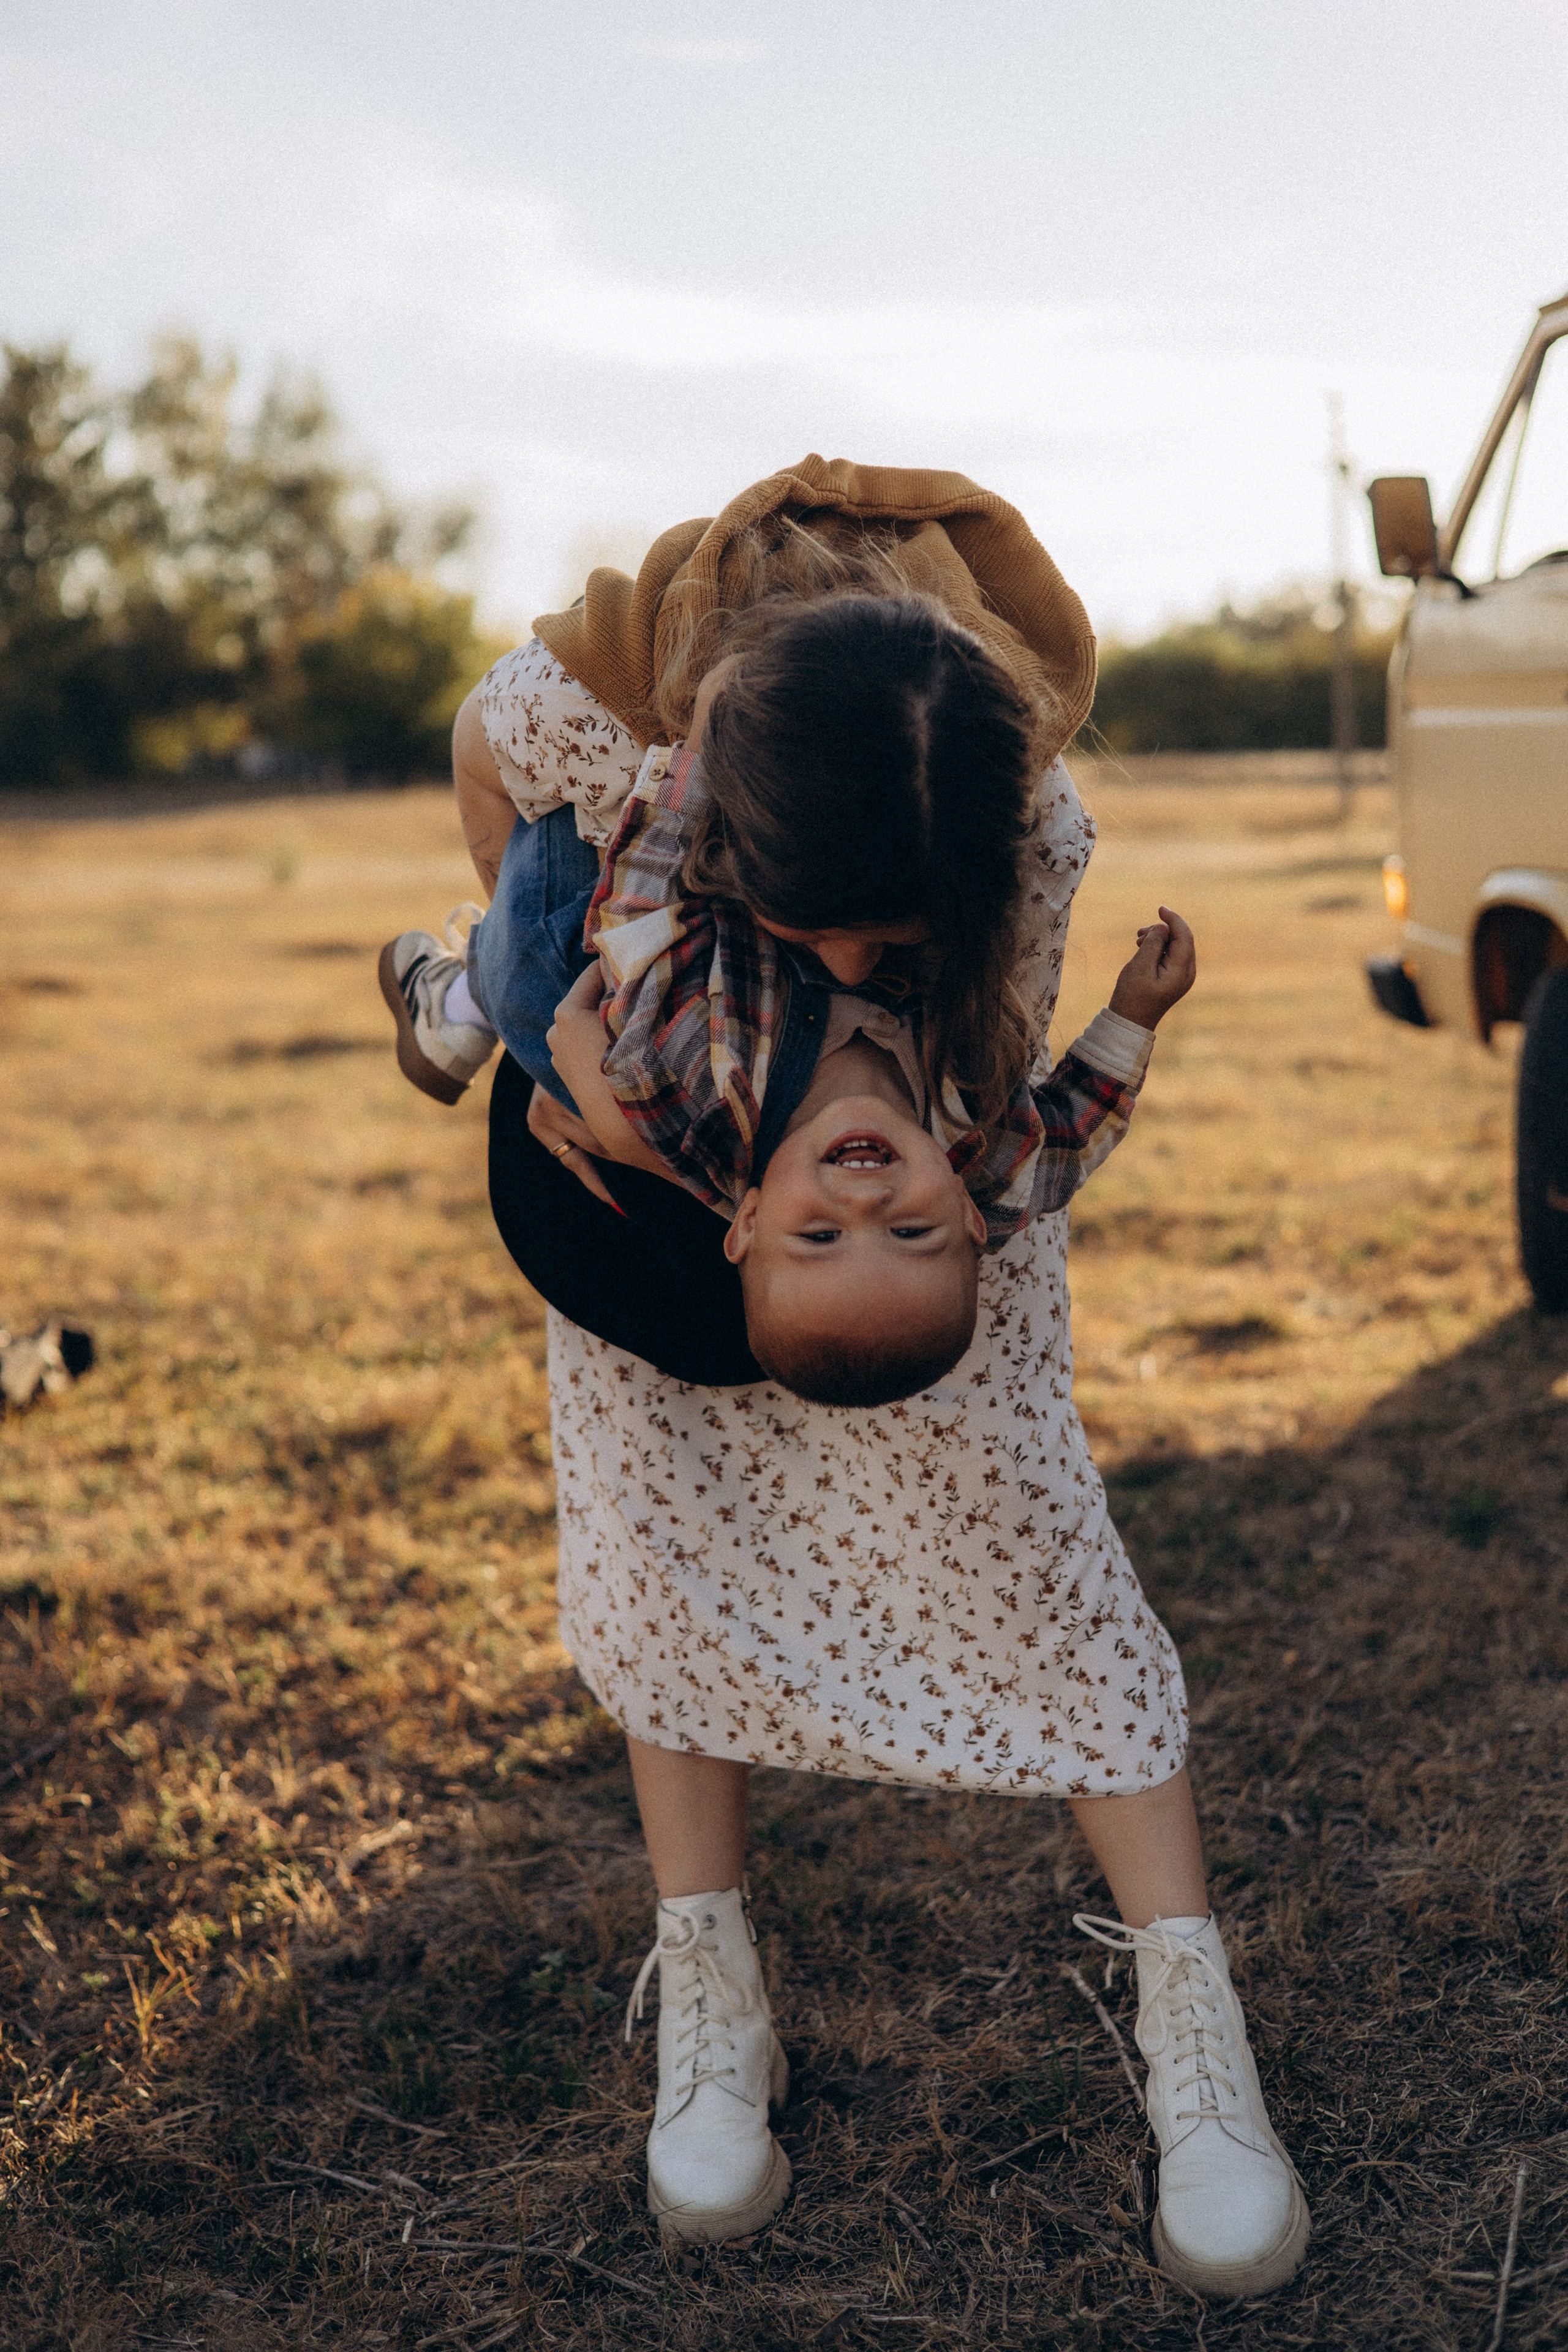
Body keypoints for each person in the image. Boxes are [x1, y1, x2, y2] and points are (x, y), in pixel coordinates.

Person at [426, 461, 1311, 2296]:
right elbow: (519, 793)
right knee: (668, 1548)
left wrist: (1052, 1085)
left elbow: (1041, 1125)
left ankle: (1192, 2017)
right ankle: (714, 1986)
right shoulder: (620, 732)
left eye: (889, 943)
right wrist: (566, 1058)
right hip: (652, 1205)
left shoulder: (1020, 838)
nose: (847, 965)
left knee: (1042, 1571)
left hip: (862, 1208)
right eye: (815, 921)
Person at [383, 594, 1196, 1407]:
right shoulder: (988, 1150)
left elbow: (637, 920)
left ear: (745, 1223)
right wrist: (1137, 1013)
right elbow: (1075, 1134)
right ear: (975, 1219)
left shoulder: (703, 1093)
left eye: (819, 1235)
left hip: (578, 972)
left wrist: (701, 750)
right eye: (912, 1231)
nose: (866, 1202)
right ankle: (463, 1006)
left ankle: (462, 1001)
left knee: (534, 944)